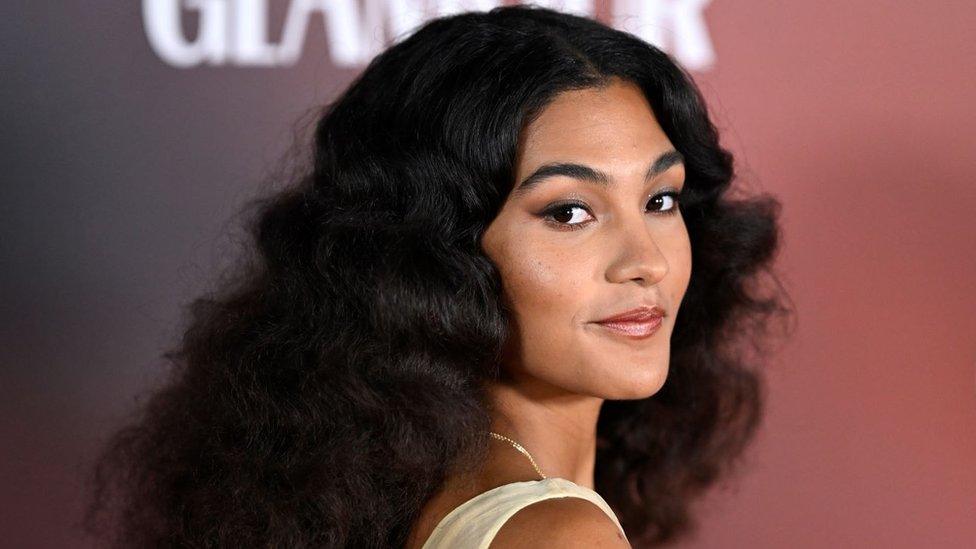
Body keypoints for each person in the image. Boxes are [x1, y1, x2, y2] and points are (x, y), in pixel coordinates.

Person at [86, 5, 794, 548]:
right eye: (570, 211)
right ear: (436, 254)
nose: (647, 260)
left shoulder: (412, 486)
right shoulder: (556, 534)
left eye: (660, 199)